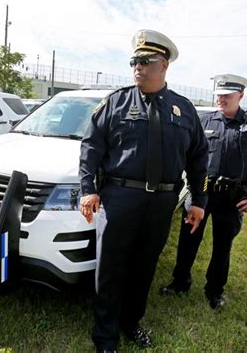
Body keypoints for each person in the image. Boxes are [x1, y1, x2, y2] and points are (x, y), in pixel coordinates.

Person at [79, 29, 209, 352]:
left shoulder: (184, 110)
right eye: (134, 61)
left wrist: (198, 200)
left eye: (146, 61)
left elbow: (199, 158)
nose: (138, 67)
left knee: (145, 266)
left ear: (164, 65)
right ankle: (105, 336)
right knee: (110, 268)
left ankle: (131, 322)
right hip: (120, 198)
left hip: (162, 201)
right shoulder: (115, 103)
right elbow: (90, 147)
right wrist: (87, 189)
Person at [161, 74, 247, 309]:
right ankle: (180, 282)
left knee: (222, 245)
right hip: (202, 193)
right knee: (188, 239)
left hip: (232, 198)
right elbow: (187, 155)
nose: (221, 99)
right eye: (218, 95)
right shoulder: (204, 121)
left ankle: (214, 290)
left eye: (227, 95)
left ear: (241, 95)